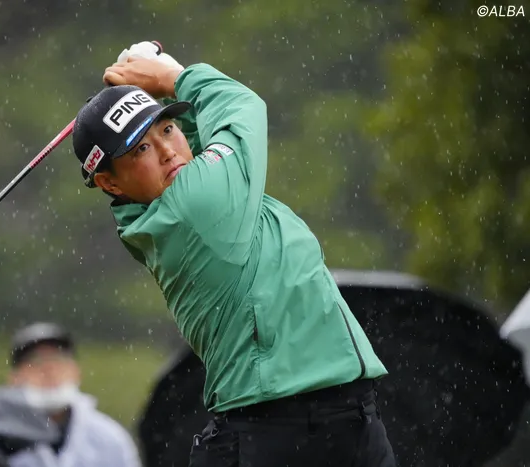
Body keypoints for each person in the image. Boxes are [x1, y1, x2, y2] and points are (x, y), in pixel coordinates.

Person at [69, 41, 397, 466]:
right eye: (140, 149)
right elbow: (241, 107)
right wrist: (173, 76)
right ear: (110, 183)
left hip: (335, 418)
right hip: (286, 427)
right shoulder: (194, 207)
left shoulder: (171, 204)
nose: (167, 150)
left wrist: (157, 90)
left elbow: (195, 147)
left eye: (166, 129)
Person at [7, 322, 142, 467]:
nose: (49, 369)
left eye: (58, 359)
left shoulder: (110, 439)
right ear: (14, 378)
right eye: (35, 361)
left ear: (76, 371)